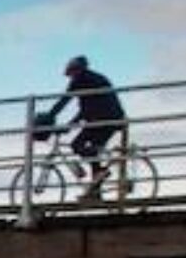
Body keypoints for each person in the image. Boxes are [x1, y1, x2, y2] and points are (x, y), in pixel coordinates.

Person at [43, 56, 127, 199]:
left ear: (76, 70)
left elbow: (65, 101)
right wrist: (70, 124)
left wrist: (49, 118)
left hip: (104, 119)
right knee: (94, 152)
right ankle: (95, 192)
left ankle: (99, 177)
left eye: (71, 74)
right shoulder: (92, 78)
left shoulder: (81, 80)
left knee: (77, 145)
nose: (71, 78)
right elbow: (86, 109)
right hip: (111, 119)